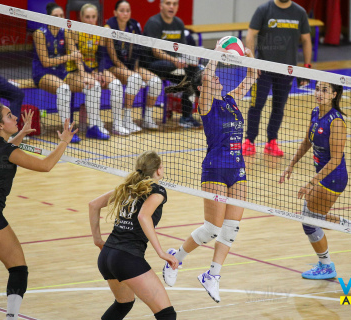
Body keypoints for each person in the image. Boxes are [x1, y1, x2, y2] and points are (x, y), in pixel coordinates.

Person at [161, 42, 257, 303]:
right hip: (215, 169)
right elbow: (208, 73)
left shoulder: (231, 99)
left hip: (238, 169)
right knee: (212, 229)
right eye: (212, 77)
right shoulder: (205, 104)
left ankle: (212, 275)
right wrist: (215, 54)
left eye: (216, 75)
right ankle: (175, 259)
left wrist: (249, 57)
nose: (217, 77)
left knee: (232, 228)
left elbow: (252, 76)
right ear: (203, 87)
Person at [0, 102, 77, 320]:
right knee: (18, 269)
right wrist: (64, 142)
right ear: (0, 125)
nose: (15, 118)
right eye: (10, 116)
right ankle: (11, 317)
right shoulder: (7, 150)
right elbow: (46, 165)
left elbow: (5, 151)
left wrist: (20, 133)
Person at [279, 82, 351, 280]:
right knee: (314, 217)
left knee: (309, 222)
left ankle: (326, 265)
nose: (319, 93)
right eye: (317, 89)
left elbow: (335, 160)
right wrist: (291, 164)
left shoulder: (336, 122)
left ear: (333, 94)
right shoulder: (315, 112)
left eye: (324, 90)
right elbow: (307, 141)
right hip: (323, 176)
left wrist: (310, 183)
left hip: (333, 178)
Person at [89, 150, 178, 320]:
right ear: (158, 170)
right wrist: (161, 252)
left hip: (107, 256)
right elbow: (143, 216)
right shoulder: (157, 191)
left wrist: (98, 240)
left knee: (123, 304)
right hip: (126, 259)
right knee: (167, 315)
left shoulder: (127, 187)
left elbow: (93, 205)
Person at [242, 0, 312, 157]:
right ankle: (249, 141)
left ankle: (271, 142)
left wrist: (307, 67)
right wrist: (252, 62)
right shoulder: (263, 9)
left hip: (287, 71)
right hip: (263, 69)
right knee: (256, 105)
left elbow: (306, 39)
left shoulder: (299, 12)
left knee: (278, 107)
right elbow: (251, 34)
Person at [66, 3, 128, 139]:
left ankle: (117, 124)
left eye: (93, 17)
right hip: (76, 69)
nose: (90, 20)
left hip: (94, 68)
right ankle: (95, 125)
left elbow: (101, 55)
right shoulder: (74, 31)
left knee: (116, 85)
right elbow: (78, 59)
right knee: (95, 86)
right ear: (81, 17)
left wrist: (99, 72)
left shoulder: (100, 31)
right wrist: (91, 73)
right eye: (87, 17)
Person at [104, 0, 163, 131]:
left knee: (156, 82)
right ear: (115, 12)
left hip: (131, 66)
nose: (125, 14)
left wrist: (135, 69)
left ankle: (147, 118)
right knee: (135, 79)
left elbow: (137, 51)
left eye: (128, 11)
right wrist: (131, 73)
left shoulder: (134, 26)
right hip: (112, 66)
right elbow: (113, 57)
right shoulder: (108, 28)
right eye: (122, 10)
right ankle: (127, 119)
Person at [143, 0, 202, 128]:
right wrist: (175, 60)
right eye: (168, 3)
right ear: (161, 5)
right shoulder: (154, 23)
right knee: (182, 69)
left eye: (175, 4)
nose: (171, 6)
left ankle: (186, 117)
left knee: (196, 75)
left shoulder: (178, 23)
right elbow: (155, 50)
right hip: (153, 64)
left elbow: (183, 47)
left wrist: (192, 57)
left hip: (175, 66)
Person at [32, 2, 83, 143]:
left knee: (93, 86)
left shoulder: (65, 31)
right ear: (48, 17)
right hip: (42, 73)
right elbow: (46, 62)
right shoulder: (39, 34)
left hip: (61, 73)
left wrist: (84, 76)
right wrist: (70, 57)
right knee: (64, 89)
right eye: (56, 16)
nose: (60, 18)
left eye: (62, 15)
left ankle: (95, 126)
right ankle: (66, 131)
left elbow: (76, 54)